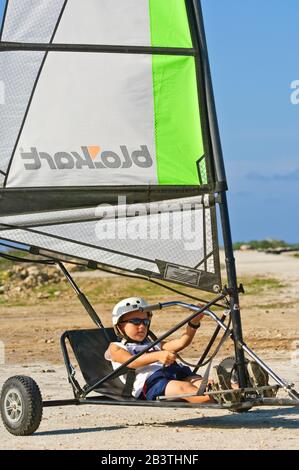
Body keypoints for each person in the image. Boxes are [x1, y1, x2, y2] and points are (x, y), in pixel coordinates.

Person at [105, 297, 219, 403]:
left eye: (145, 322)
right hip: (151, 383)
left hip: (172, 373)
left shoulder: (153, 344)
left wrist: (194, 322)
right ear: (119, 326)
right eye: (135, 322)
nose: (142, 326)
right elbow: (131, 362)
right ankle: (219, 399)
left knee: (204, 384)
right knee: (185, 388)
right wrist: (158, 355)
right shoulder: (116, 347)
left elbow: (182, 342)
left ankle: (231, 391)